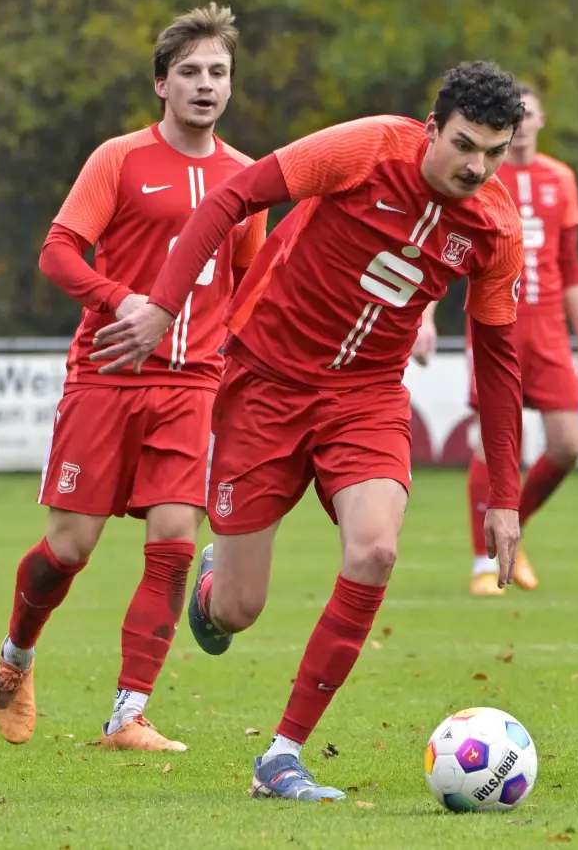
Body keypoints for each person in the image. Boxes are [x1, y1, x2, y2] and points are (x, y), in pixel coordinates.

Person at [90, 61, 528, 802]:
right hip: (264, 383)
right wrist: (163, 306)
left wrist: (505, 495)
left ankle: (282, 756)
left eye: (493, 151)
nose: (476, 166)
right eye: (463, 145)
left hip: (368, 397)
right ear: (431, 130)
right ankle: (212, 589)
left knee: (376, 549)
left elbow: (498, 359)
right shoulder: (363, 149)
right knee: (238, 610)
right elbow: (232, 196)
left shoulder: (495, 225)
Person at [0, 3, 267, 752]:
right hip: (107, 377)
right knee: (69, 549)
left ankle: (128, 715)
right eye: (189, 73)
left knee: (175, 542)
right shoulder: (119, 158)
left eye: (218, 73)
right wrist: (123, 300)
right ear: (161, 84)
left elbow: (246, 290)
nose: (205, 85)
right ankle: (17, 655)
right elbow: (58, 251)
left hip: (191, 385)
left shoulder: (247, 180)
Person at [413, 81, 578, 596]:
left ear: (537, 121)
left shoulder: (561, 178)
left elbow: (570, 265)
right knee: (496, 446)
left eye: (530, 115)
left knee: (567, 445)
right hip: (497, 323)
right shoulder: (480, 177)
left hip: (551, 334)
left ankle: (512, 527)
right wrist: (426, 316)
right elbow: (443, 246)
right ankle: (480, 560)